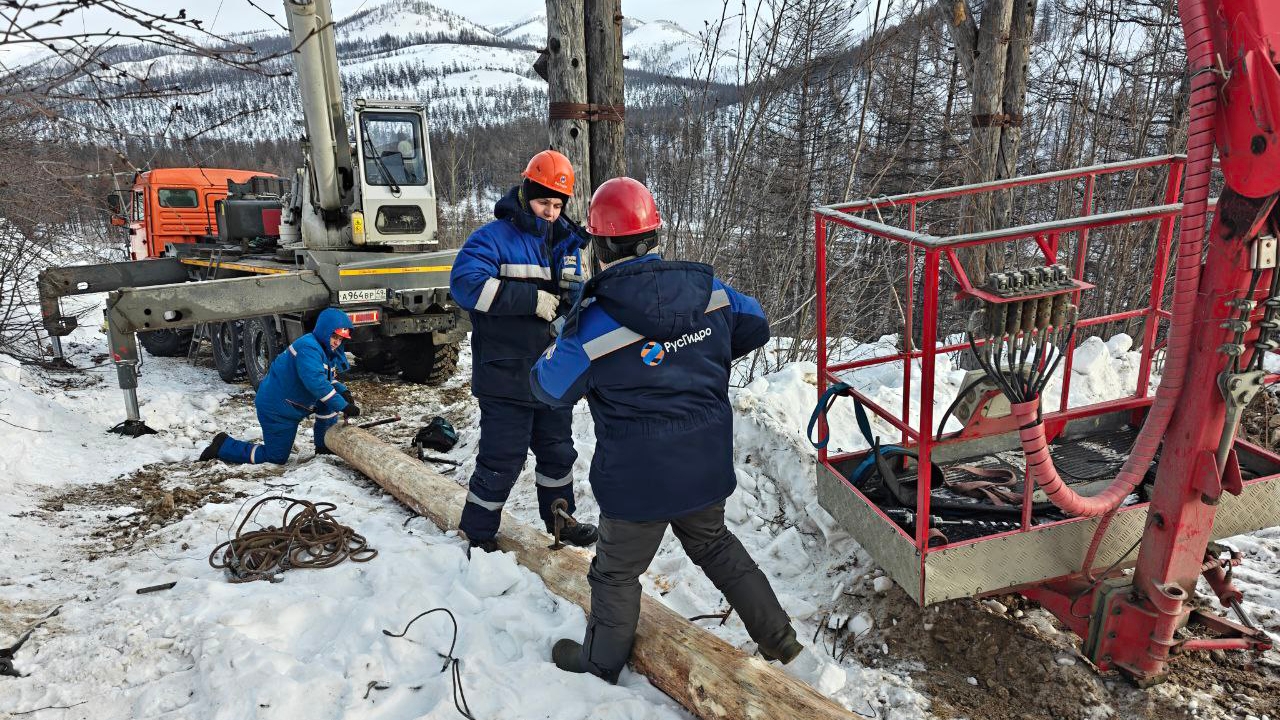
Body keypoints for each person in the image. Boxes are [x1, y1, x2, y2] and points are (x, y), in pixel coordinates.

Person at [531, 177, 802, 683]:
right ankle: (781, 640)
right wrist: (693, 357)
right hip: (702, 465)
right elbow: (756, 324)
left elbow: (548, 388)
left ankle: (600, 664)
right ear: (652, 233)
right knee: (716, 546)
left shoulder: (590, 324)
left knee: (616, 572)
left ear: (603, 244)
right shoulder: (709, 292)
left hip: (637, 482)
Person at [449, 149, 598, 554]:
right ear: (525, 192)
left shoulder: (566, 242)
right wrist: (529, 300)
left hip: (550, 373)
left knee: (557, 454)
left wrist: (571, 309)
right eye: (543, 202)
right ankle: (478, 534)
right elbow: (464, 284)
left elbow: (572, 294)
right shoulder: (492, 238)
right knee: (502, 460)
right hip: (504, 372)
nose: (550, 211)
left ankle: (560, 522)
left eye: (557, 204)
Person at [200, 308, 359, 464]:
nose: (337, 342)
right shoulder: (309, 348)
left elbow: (327, 379)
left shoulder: (325, 349)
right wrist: (343, 406)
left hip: (296, 402)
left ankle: (324, 447)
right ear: (325, 331)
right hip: (278, 408)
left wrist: (343, 392)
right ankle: (223, 446)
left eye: (341, 338)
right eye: (334, 336)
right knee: (276, 457)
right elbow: (316, 382)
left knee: (328, 403)